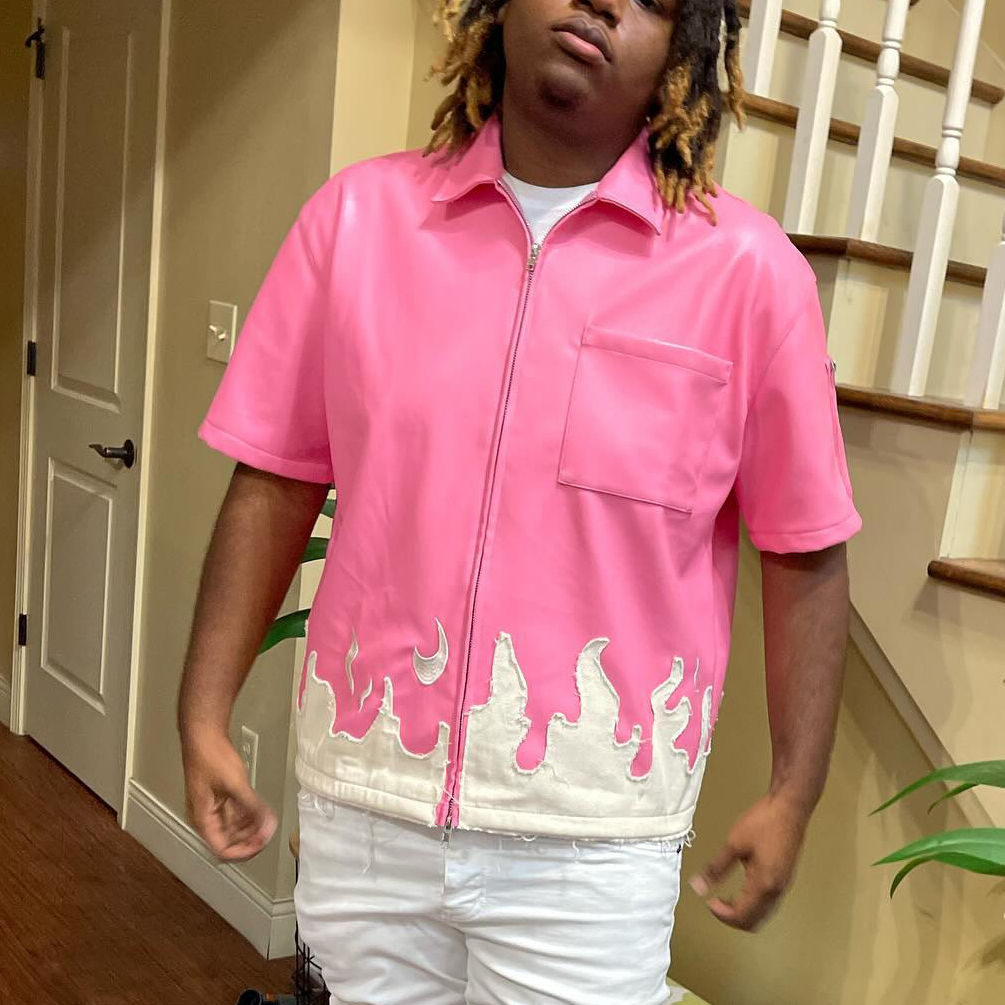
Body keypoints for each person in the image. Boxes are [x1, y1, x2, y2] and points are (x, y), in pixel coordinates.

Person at [178, 0, 862, 1001]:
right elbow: (274, 480)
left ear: (684, 50)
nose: (603, 3)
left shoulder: (749, 276)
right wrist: (204, 713)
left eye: (654, 0)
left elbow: (806, 549)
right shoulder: (356, 222)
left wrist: (793, 793)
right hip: (365, 803)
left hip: (593, 840)